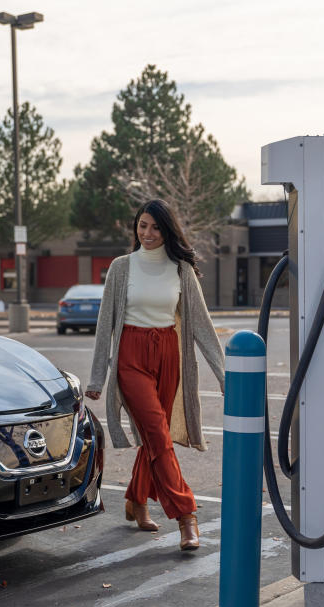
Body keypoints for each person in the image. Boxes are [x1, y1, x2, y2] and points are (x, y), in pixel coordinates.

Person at [85, 199, 225, 552]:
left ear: (167, 231)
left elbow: (203, 327)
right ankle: (186, 515)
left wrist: (225, 375)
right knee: (159, 437)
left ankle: (136, 500)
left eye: (155, 227)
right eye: (142, 225)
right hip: (131, 355)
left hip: (168, 355)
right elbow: (105, 326)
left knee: (154, 437)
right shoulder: (121, 268)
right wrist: (98, 377)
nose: (147, 233)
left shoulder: (181, 270)